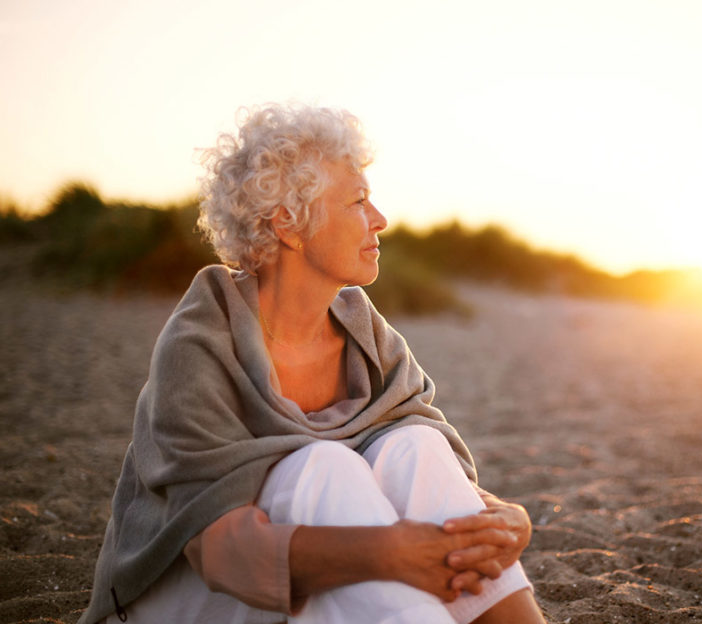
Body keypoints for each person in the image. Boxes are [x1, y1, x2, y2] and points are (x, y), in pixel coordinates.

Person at [79, 104, 545, 624]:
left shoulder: (367, 336)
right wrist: (387, 553)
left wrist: (502, 521)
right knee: (324, 465)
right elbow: (216, 549)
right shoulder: (202, 342)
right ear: (288, 223)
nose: (380, 219)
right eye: (358, 201)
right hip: (187, 591)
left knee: (416, 444)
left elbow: (431, 482)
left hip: (318, 577)